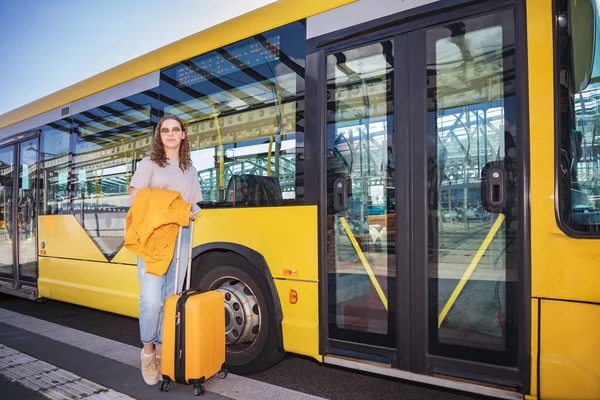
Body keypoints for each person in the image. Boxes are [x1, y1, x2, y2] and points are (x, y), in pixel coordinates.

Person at [128, 114, 202, 385]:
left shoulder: (190, 170)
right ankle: (148, 351)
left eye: (176, 130)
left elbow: (192, 204)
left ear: (183, 135)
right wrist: (173, 204)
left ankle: (161, 350)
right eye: (165, 130)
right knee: (151, 299)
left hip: (180, 239)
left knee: (169, 299)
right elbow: (136, 197)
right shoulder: (148, 165)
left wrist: (193, 211)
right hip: (152, 238)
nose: (170, 134)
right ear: (159, 136)